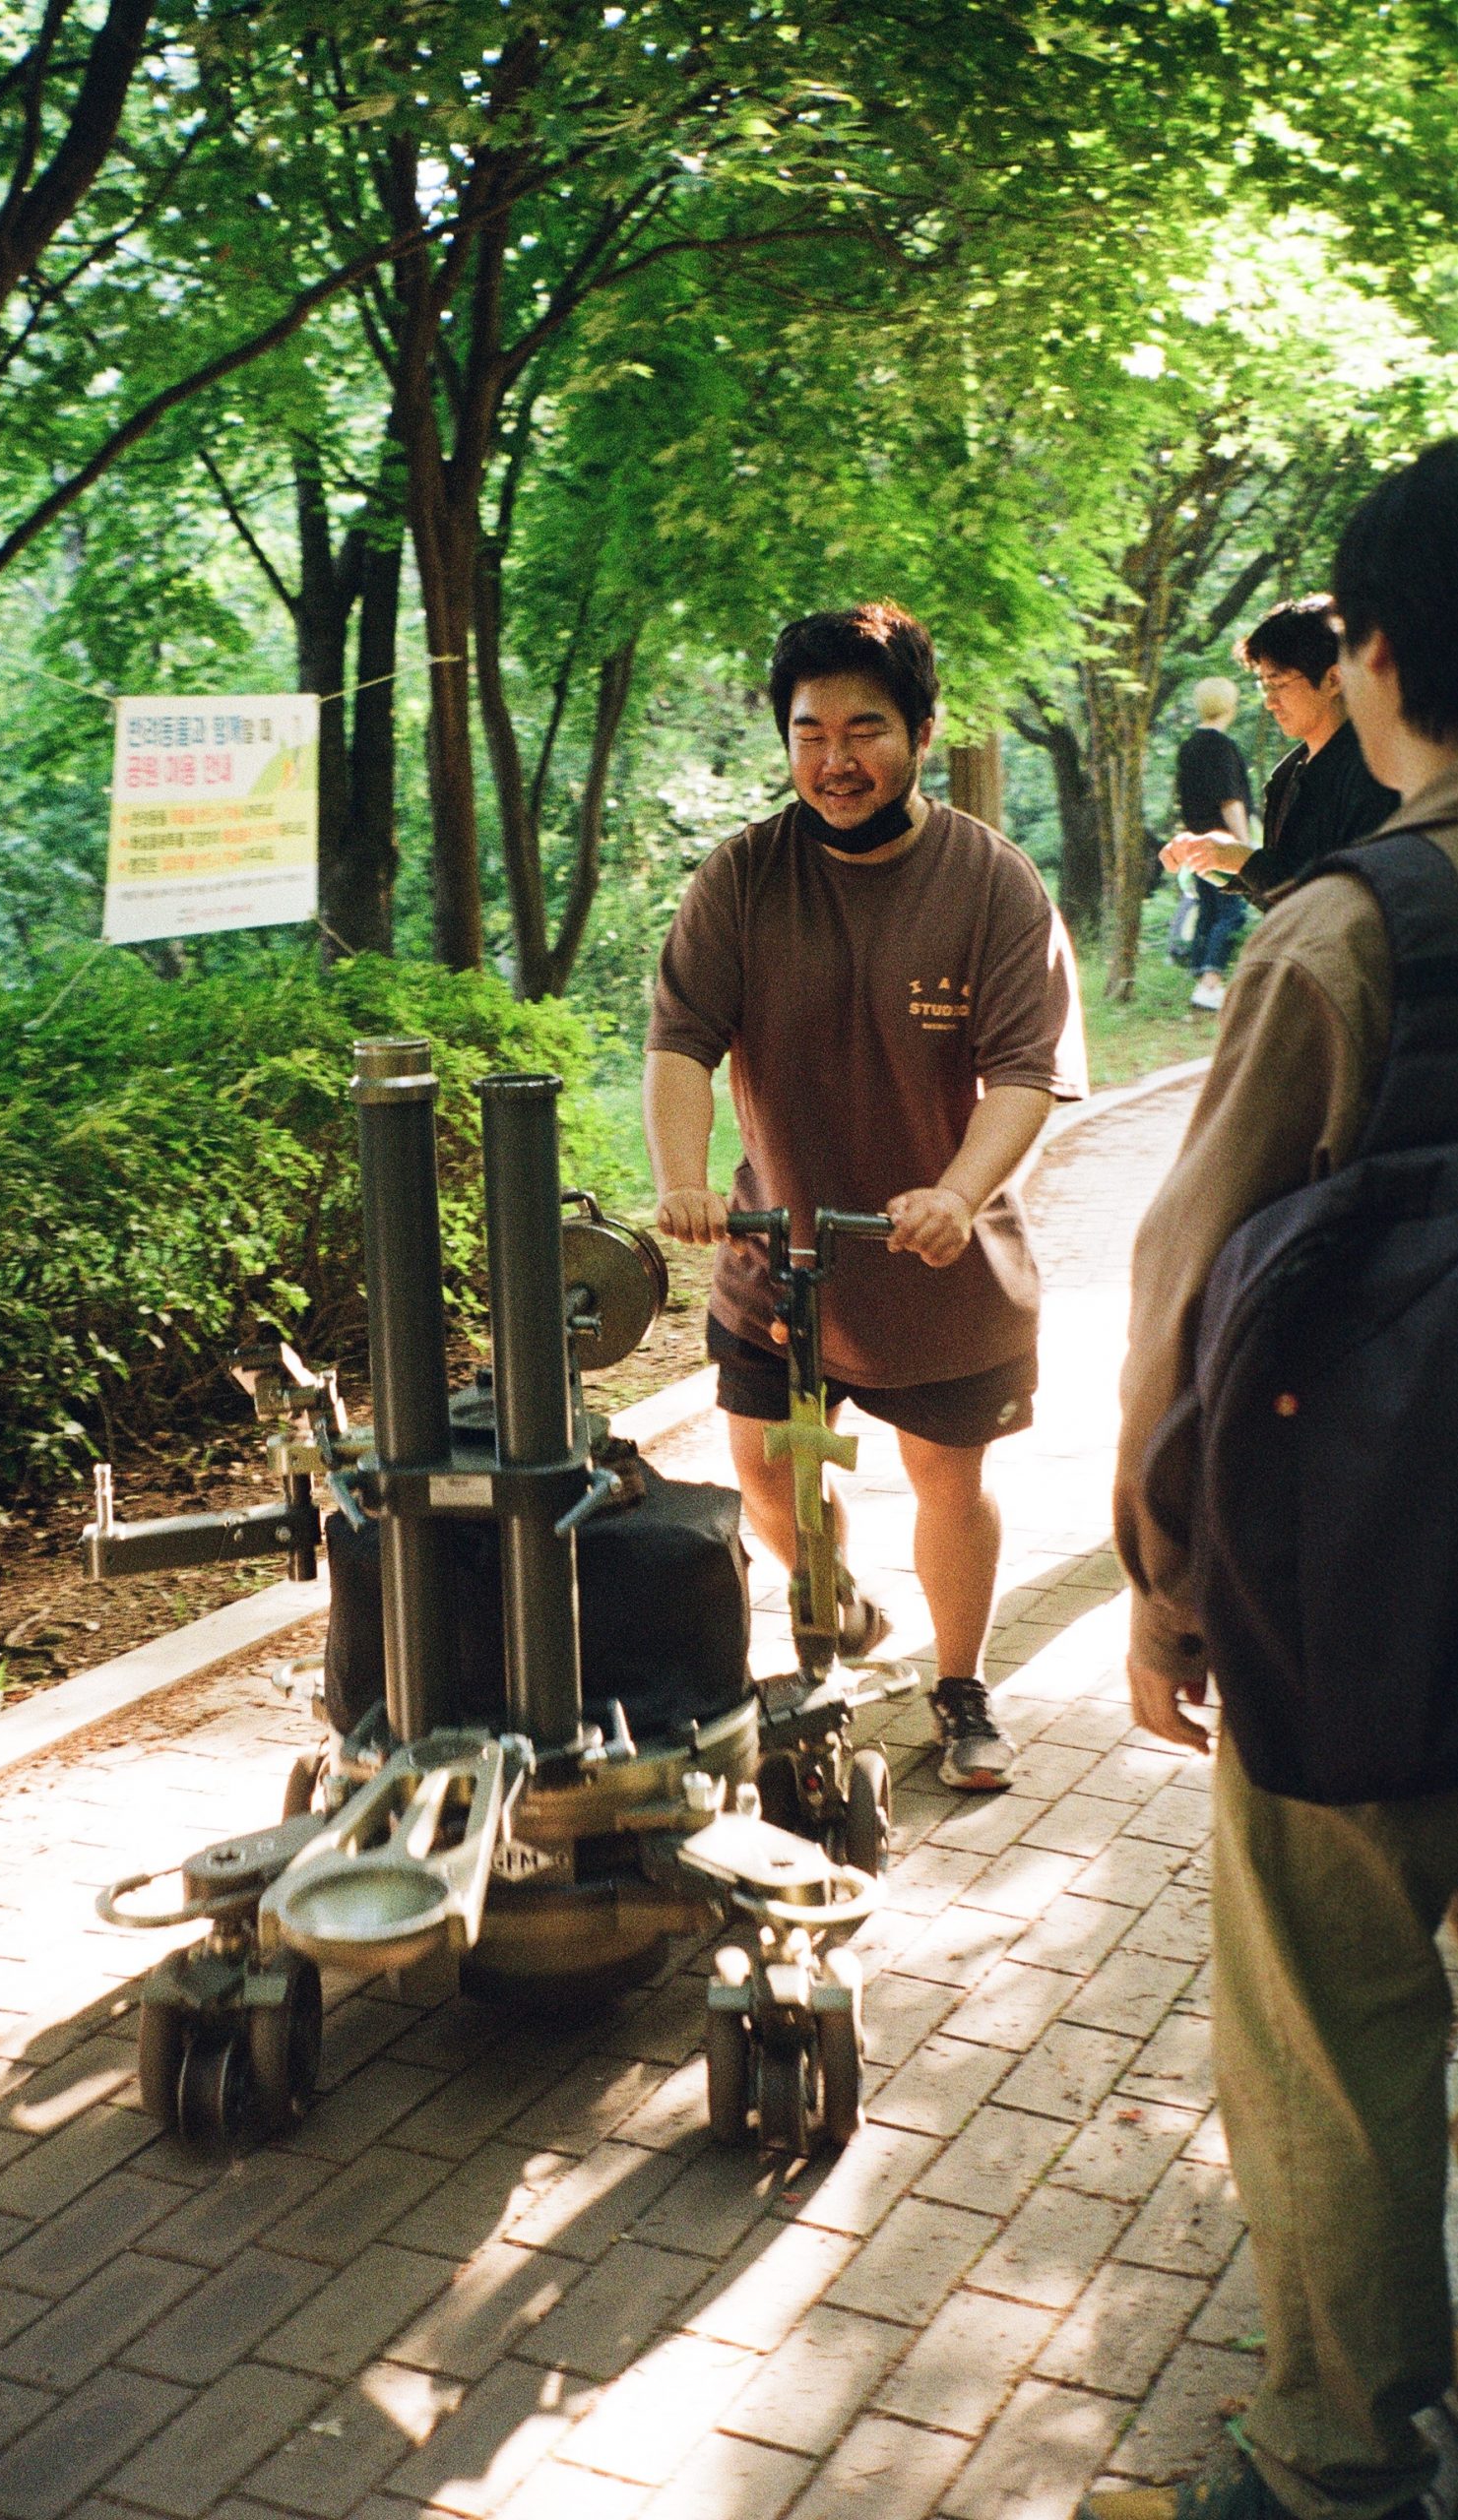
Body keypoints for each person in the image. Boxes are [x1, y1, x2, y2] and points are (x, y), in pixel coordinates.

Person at [1090, 440, 1458, 2520]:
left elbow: (1187, 1275)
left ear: (1376, 655)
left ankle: (1334, 2455)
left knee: (1328, 2015)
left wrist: (1162, 1582)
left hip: (1371, 1584)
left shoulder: (1348, 933)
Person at [643, 602, 1087, 1791]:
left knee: (949, 1478)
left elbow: (1024, 1074)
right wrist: (681, 1179)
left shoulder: (992, 884)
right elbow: (680, 1041)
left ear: (921, 734)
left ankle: (961, 1685)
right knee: (764, 1473)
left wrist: (955, 1193)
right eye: (809, 733)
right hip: (777, 1259)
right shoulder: (742, 876)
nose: (834, 760)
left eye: (864, 730)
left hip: (940, 1267)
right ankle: (835, 1596)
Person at [1163, 596, 1398, 917]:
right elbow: (1281, 902)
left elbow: (1344, 903)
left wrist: (1245, 861)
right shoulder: (1288, 775)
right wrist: (1219, 859)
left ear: (1333, 680)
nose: (1270, 702)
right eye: (1265, 686)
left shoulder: (1374, 772)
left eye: (1279, 684)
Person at [1172, 676, 1254, 1011]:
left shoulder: (1188, 747)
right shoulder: (1221, 747)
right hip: (1222, 842)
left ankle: (1200, 979)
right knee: (1232, 912)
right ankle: (1210, 984)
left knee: (1209, 909)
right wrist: (1244, 844)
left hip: (1196, 841)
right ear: (1229, 706)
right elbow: (1230, 800)